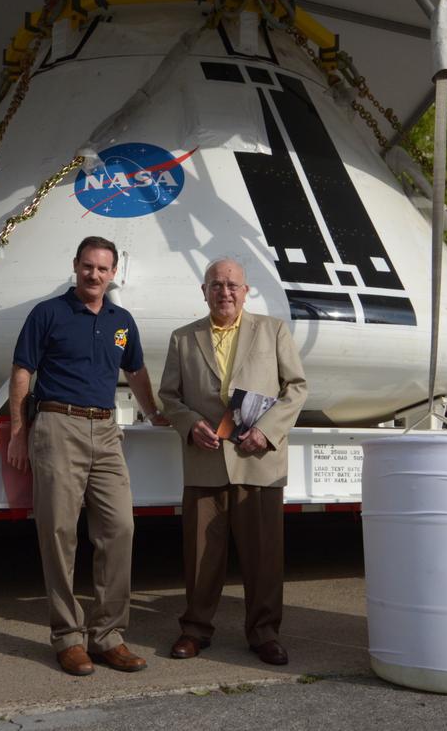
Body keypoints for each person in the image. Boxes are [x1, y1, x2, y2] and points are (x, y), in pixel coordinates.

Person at [6, 236, 168, 677]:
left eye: (102, 268)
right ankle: (68, 638)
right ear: (75, 266)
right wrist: (19, 431)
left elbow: (134, 370)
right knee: (59, 533)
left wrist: (153, 413)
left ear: (113, 273)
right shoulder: (49, 313)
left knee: (120, 528)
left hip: (107, 429)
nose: (94, 275)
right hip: (58, 424)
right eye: (87, 267)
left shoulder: (122, 320)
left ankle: (108, 636)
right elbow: (23, 370)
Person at [159, 258, 308, 667]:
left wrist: (269, 430)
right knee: (201, 554)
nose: (224, 292)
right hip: (205, 458)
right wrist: (189, 425)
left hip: (257, 459)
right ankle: (194, 630)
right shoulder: (182, 338)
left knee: (264, 556)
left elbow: (296, 388)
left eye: (232, 285)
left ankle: (264, 634)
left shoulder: (273, 330)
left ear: (246, 291)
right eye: (216, 285)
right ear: (203, 291)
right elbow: (168, 396)